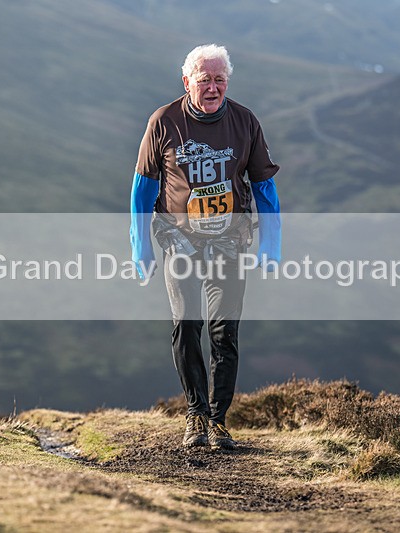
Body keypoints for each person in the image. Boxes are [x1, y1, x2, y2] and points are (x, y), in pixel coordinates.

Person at [130, 44, 281, 450]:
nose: (213, 88)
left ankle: (217, 420)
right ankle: (195, 414)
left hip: (230, 242)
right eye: (204, 80)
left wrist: (272, 242)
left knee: (224, 332)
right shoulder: (163, 122)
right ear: (187, 82)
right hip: (179, 241)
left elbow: (264, 187)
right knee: (186, 325)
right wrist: (139, 247)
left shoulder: (245, 122)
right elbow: (142, 191)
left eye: (220, 80)